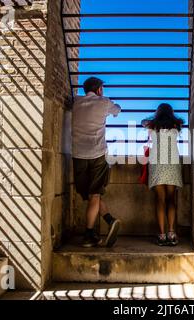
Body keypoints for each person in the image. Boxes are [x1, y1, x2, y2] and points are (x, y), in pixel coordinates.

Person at [72, 77, 122, 247]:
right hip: (97, 154)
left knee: (89, 195)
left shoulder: (76, 101)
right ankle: (88, 235)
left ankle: (110, 220)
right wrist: (109, 105)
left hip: (78, 155)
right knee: (95, 194)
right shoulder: (104, 102)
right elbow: (117, 110)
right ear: (99, 89)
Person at [142, 103, 184, 246]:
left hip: (157, 163)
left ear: (158, 113)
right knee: (171, 199)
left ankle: (161, 235)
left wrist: (154, 119)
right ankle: (172, 233)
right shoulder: (176, 125)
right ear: (171, 113)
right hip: (172, 163)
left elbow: (143, 123)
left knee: (160, 199)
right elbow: (181, 122)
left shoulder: (152, 126)